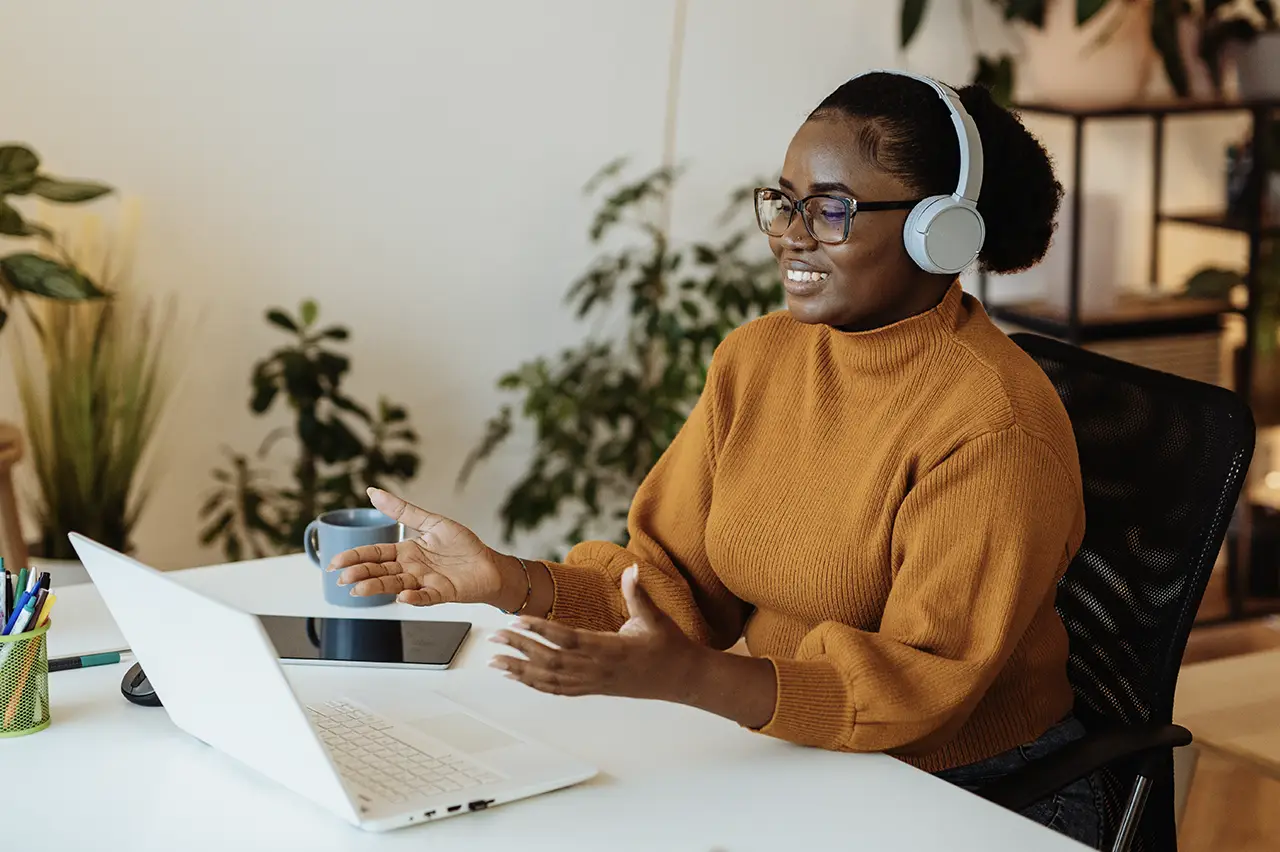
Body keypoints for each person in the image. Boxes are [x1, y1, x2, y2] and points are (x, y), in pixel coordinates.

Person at [329, 70, 1103, 847]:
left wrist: (694, 679)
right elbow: (670, 585)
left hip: (978, 793)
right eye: (783, 200)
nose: (791, 234)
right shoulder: (757, 359)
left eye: (831, 209)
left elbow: (920, 691)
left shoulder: (992, 424)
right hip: (808, 757)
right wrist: (508, 579)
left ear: (941, 231)